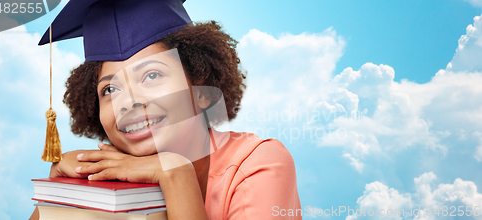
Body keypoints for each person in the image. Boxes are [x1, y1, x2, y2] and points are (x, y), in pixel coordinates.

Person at [30, 0, 301, 219]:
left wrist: (176, 175)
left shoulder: (258, 163)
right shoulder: (108, 182)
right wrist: (63, 196)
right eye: (110, 90)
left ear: (202, 89)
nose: (129, 101)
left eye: (152, 75)